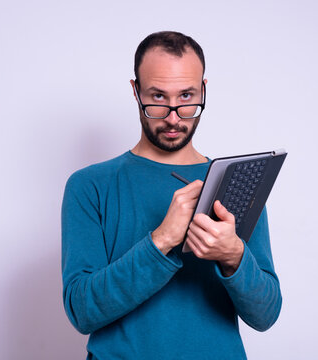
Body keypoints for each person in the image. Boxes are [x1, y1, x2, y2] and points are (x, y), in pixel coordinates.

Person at [61, 31, 282, 359]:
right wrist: (162, 240)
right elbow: (82, 312)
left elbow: (265, 315)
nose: (174, 116)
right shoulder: (90, 185)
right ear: (136, 91)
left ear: (203, 89)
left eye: (187, 97)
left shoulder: (236, 183)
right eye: (158, 98)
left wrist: (233, 255)